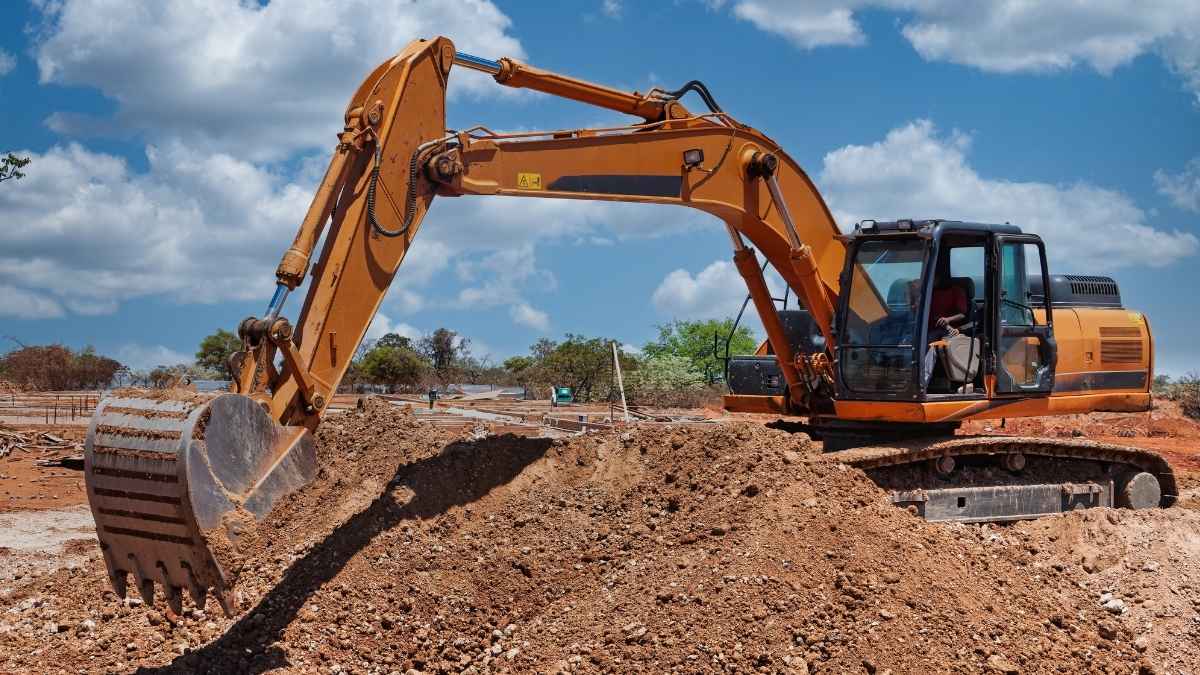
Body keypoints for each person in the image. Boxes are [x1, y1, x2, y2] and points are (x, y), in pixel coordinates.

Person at [910, 269, 969, 389]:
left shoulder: (956, 291)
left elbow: (962, 314)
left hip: (951, 330)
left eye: (934, 278)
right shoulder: (928, 293)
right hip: (929, 329)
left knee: (931, 346)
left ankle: (922, 383)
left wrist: (948, 319)